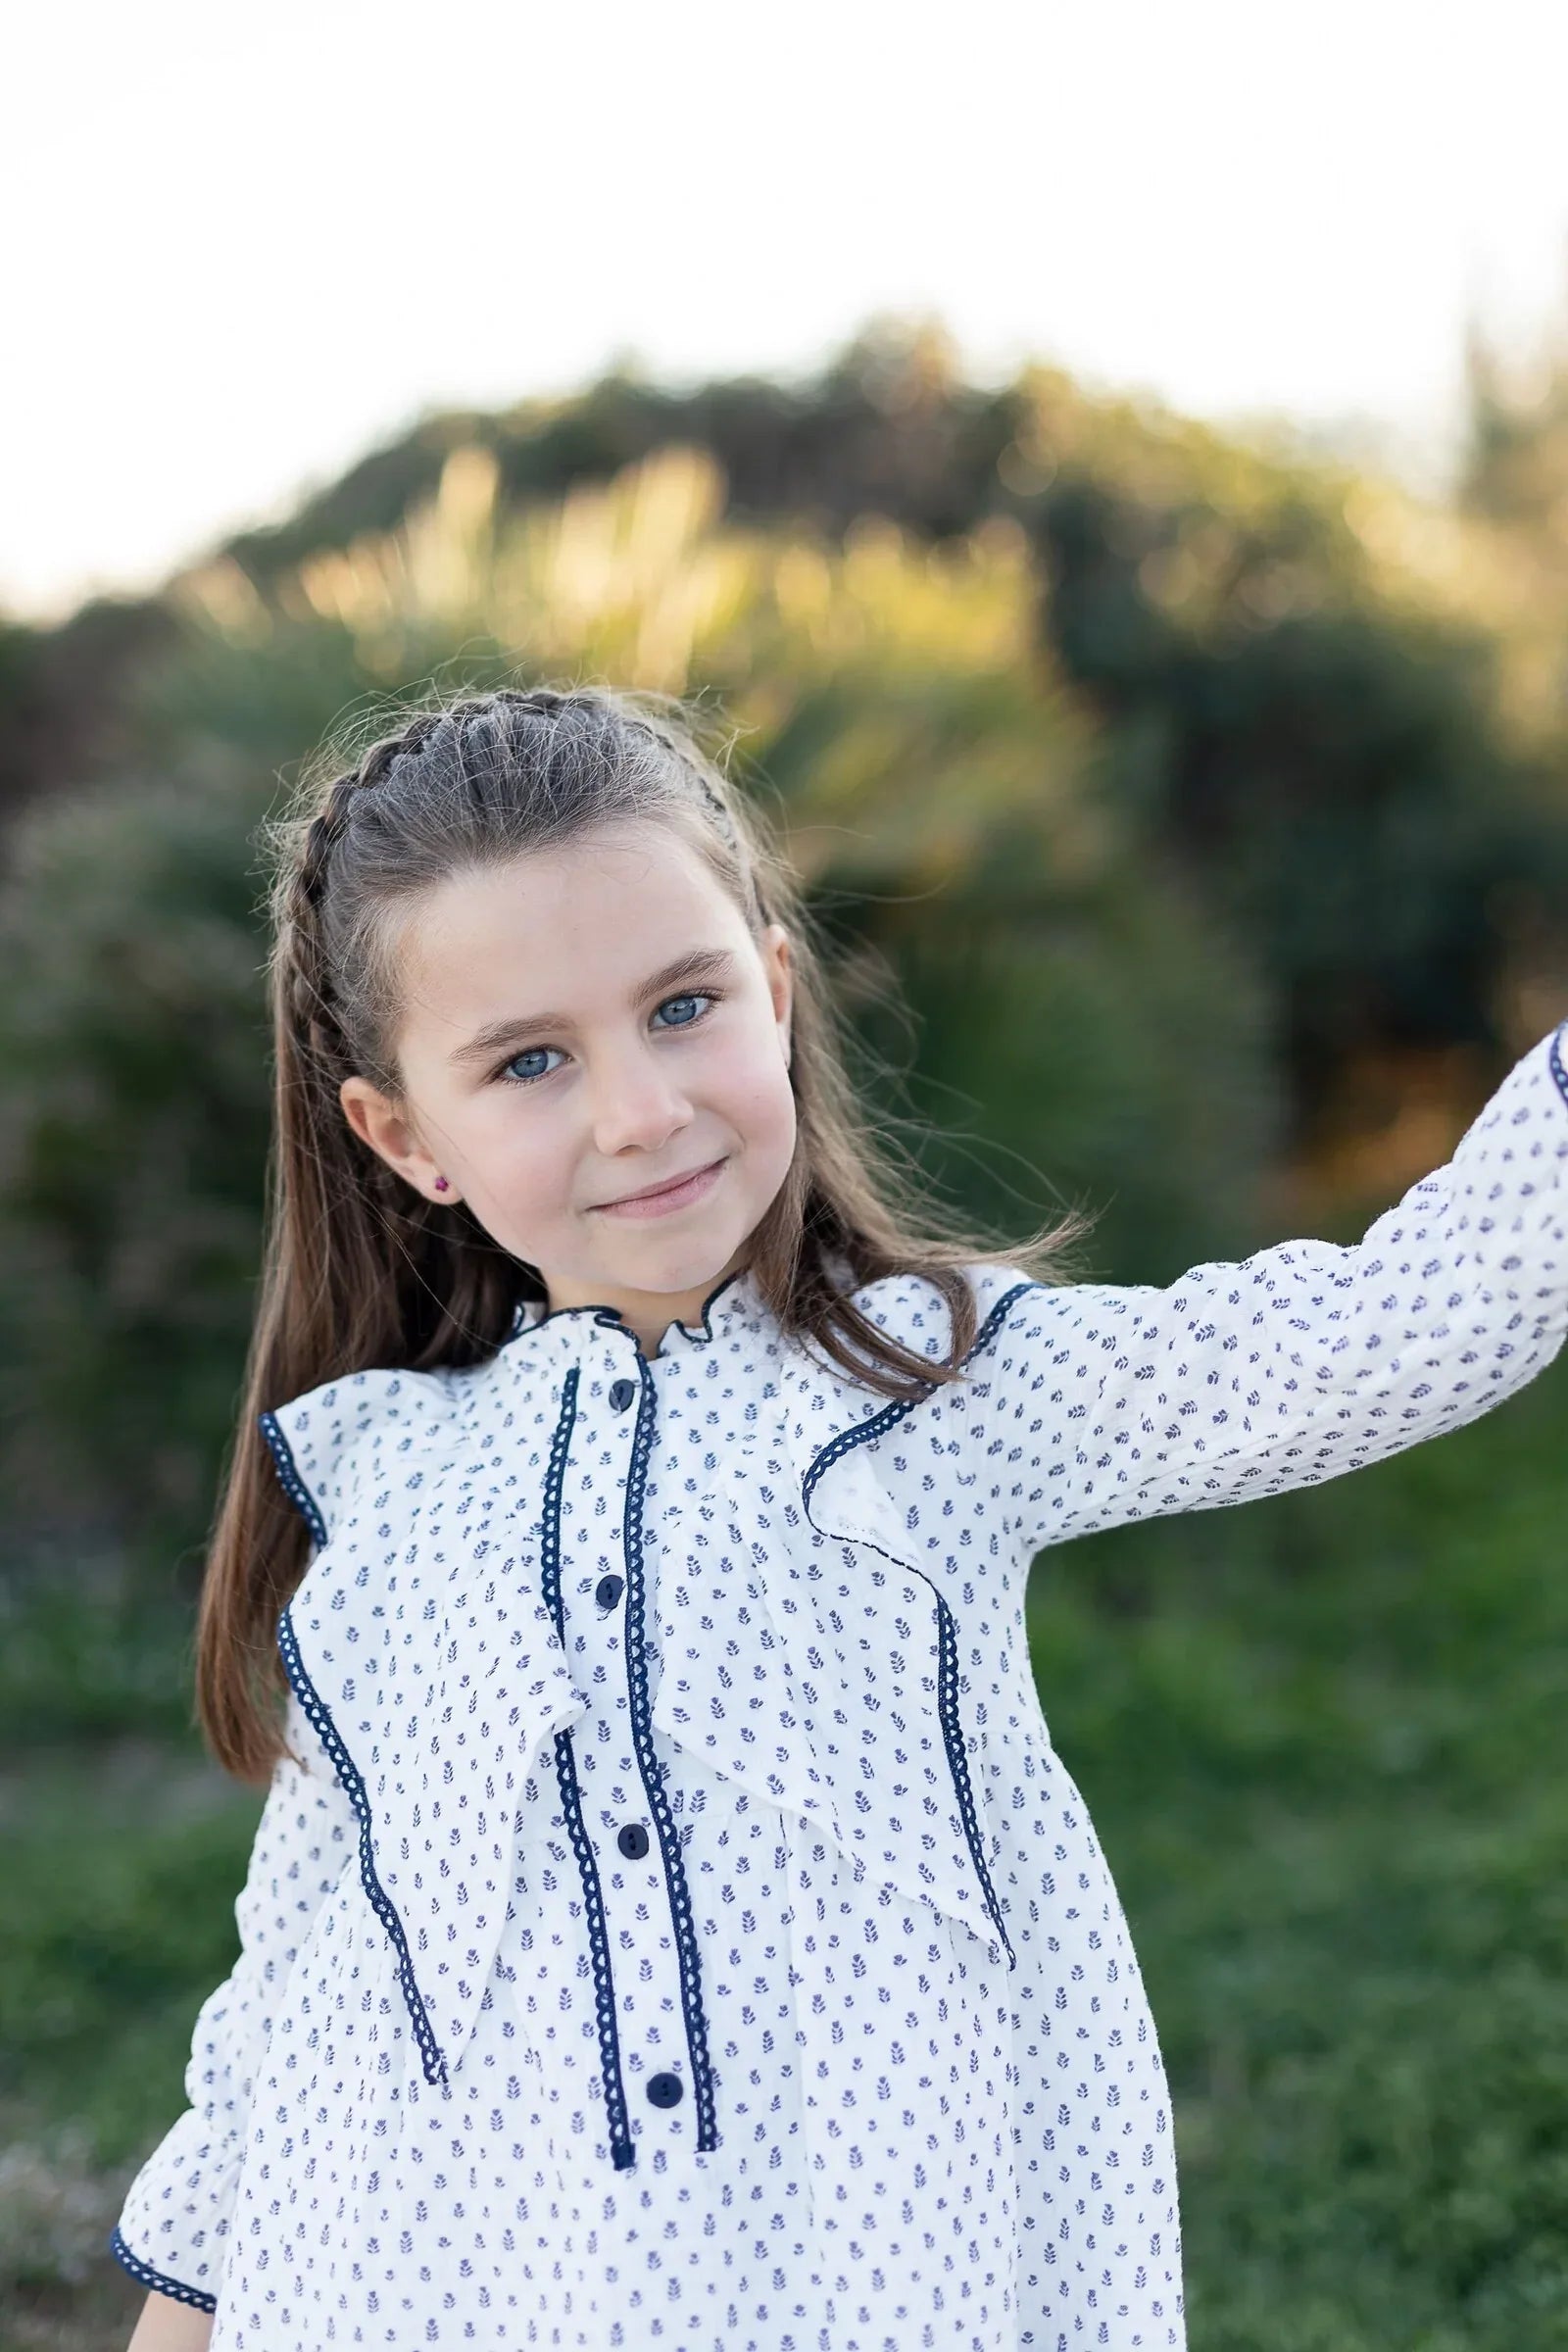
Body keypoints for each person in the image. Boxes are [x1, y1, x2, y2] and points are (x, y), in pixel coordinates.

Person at [108, 681, 1568, 2352]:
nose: (641, 1110)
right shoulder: (386, 1482)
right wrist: (183, 2307)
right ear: (404, 1135)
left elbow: (1382, 1336)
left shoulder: (937, 1388)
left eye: (683, 1006)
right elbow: (304, 1958)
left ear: (777, 991)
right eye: (528, 1060)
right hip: (460, 2281)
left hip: (876, 2267)